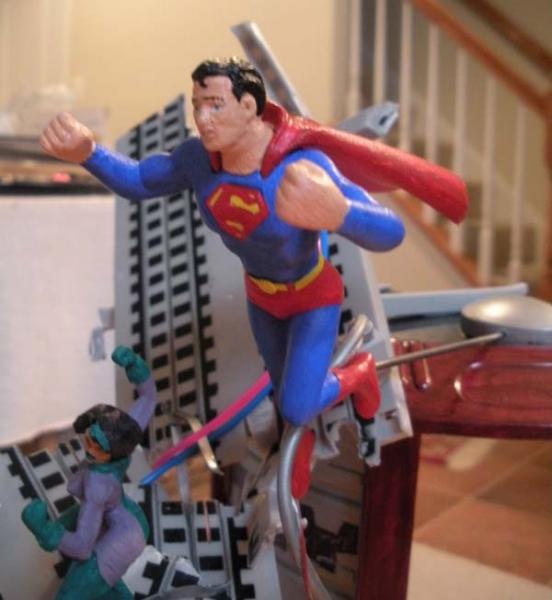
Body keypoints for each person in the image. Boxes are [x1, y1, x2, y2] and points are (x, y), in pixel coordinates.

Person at [39, 58, 460, 428]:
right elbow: (139, 181)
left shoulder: (302, 165)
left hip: (312, 297)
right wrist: (89, 153)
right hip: (261, 298)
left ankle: (360, 374)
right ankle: (299, 457)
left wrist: (340, 213)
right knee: (283, 397)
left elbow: (391, 231)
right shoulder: (197, 160)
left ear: (248, 107)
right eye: (197, 106)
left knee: (297, 407)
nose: (203, 119)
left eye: (215, 105)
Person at [21, 346, 155, 600]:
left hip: (127, 536)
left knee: (72, 593)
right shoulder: (125, 433)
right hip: (122, 512)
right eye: (90, 438)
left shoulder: (97, 485)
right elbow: (148, 398)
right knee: (89, 577)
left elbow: (82, 547)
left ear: (113, 450)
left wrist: (47, 533)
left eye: (98, 446)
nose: (89, 448)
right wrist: (134, 365)